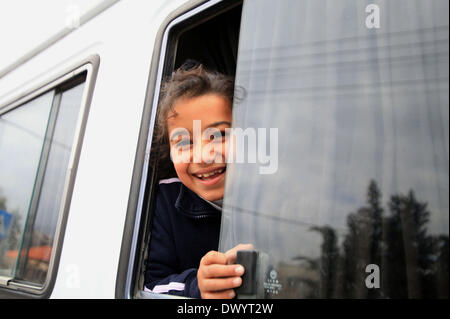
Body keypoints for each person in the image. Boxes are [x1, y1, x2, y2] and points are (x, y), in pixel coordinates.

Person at [144, 62, 252, 299]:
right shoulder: (163, 202)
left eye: (219, 135)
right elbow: (148, 285)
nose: (204, 156)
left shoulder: (273, 198)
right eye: (183, 142)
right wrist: (196, 286)